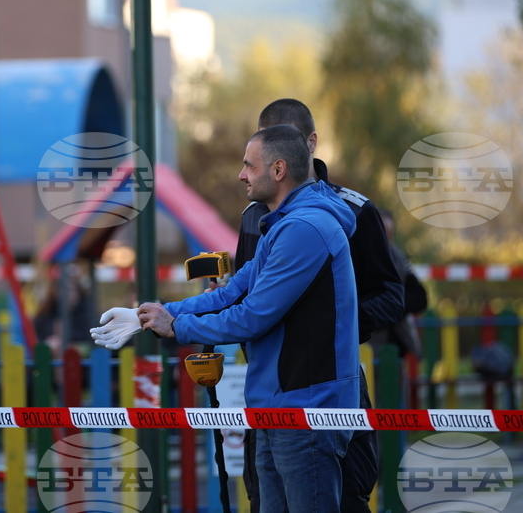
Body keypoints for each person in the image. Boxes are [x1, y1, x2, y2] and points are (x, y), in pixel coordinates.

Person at [139, 125, 360, 512]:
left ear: (277, 170)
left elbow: (253, 317)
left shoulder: (304, 229)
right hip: (280, 405)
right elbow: (233, 291)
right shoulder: (286, 224)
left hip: (306, 409)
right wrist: (161, 312)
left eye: (248, 165)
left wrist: (177, 328)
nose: (241, 174)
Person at [233, 99, 405, 513]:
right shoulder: (253, 216)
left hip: (331, 383)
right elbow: (243, 296)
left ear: (309, 143)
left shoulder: (354, 210)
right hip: (268, 388)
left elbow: (393, 295)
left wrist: (335, 325)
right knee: (264, 499)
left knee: (345, 496)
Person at [370, 208, 428, 360]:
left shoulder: (399, 257)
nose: (385, 238)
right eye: (382, 231)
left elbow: (420, 298)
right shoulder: (362, 258)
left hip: (399, 345)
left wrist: (392, 306)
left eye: (389, 233)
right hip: (371, 345)